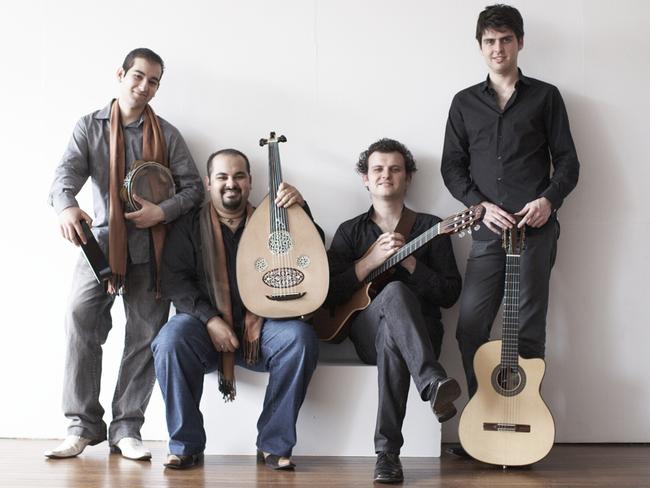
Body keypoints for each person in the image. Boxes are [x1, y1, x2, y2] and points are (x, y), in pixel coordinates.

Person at [46, 48, 204, 460]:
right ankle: (81, 426)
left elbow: (193, 189)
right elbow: (63, 177)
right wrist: (66, 207)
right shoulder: (89, 126)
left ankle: (127, 428)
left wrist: (161, 212)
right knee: (80, 321)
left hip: (153, 252)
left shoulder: (167, 134)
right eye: (138, 76)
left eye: (153, 81)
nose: (144, 87)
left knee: (145, 337)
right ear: (120, 73)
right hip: (97, 246)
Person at [440, 4, 579, 453]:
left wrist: (548, 200)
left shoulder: (546, 97)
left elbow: (569, 163)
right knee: (470, 328)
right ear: (479, 47)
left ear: (520, 42)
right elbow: (452, 166)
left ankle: (527, 417)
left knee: (529, 327)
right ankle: (485, 414)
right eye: (489, 41)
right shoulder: (464, 102)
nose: (497, 48)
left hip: (534, 231)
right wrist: (479, 206)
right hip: (486, 233)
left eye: (505, 40)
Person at [151, 149, 320, 470]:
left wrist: (300, 209)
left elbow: (309, 255)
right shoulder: (188, 226)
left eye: (239, 176)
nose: (232, 183)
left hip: (264, 330)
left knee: (300, 338)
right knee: (171, 339)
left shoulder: (273, 221)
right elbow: (174, 281)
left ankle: (274, 445)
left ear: (250, 181)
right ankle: (185, 445)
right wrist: (211, 319)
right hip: (204, 333)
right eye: (223, 177)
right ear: (208, 183)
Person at [326, 138, 462, 483]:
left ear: (408, 178)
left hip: (424, 335)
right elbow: (327, 295)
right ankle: (431, 382)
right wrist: (368, 262)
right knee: (392, 298)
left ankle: (387, 457)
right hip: (365, 334)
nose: (386, 175)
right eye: (378, 169)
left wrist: (413, 263)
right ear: (365, 179)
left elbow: (449, 294)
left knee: (395, 317)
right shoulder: (350, 231)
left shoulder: (432, 227)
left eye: (395, 169)